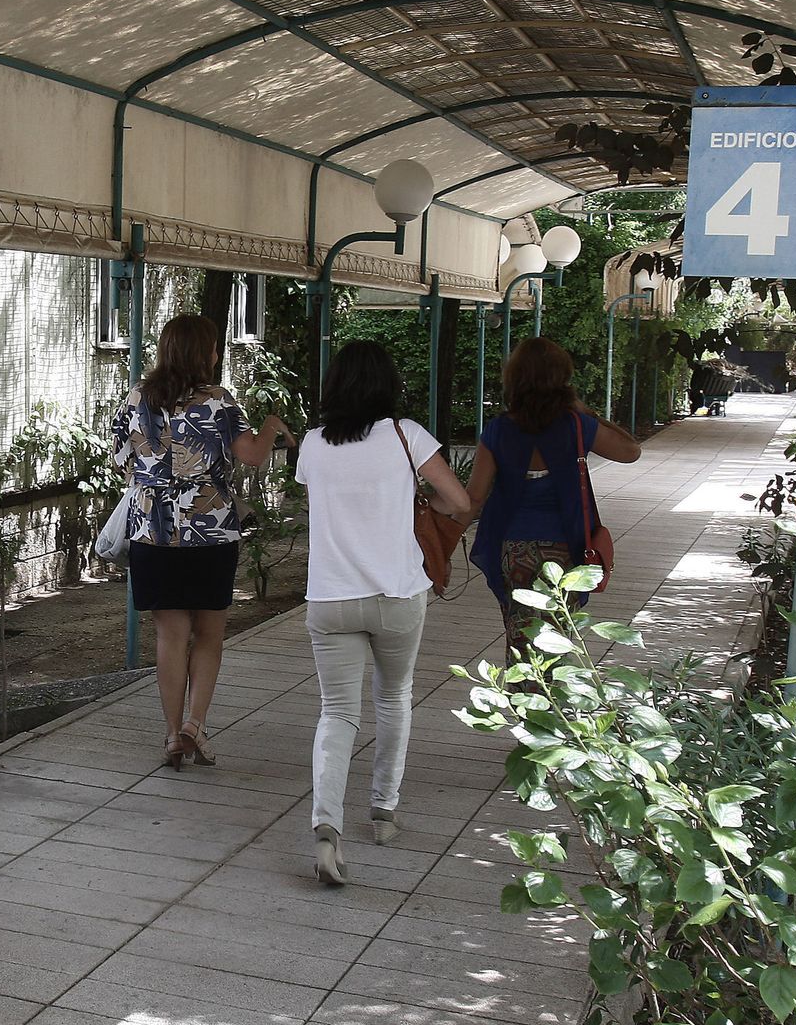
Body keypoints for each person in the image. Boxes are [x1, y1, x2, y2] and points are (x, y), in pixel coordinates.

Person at [295, 340, 469, 886]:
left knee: (337, 713)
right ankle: (384, 812)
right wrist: (423, 503)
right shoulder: (406, 436)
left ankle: (327, 830)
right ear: (387, 386)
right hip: (397, 593)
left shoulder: (312, 444)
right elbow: (460, 503)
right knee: (393, 698)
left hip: (330, 597)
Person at [111, 313, 293, 771]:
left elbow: (120, 459)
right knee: (210, 635)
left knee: (170, 634)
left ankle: (173, 735)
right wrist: (271, 423)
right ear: (203, 353)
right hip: (210, 531)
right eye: (213, 347)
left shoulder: (136, 398)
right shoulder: (219, 401)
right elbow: (252, 456)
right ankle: (195, 723)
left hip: (152, 532)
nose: (216, 354)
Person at [464, 337, 641, 654]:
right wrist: (589, 412)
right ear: (561, 378)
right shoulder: (577, 425)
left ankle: (522, 699)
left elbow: (474, 496)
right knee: (558, 638)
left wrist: (442, 544)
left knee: (520, 636)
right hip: (564, 547)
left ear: (513, 378)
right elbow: (631, 451)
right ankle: (553, 699)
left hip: (513, 547)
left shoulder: (498, 430)